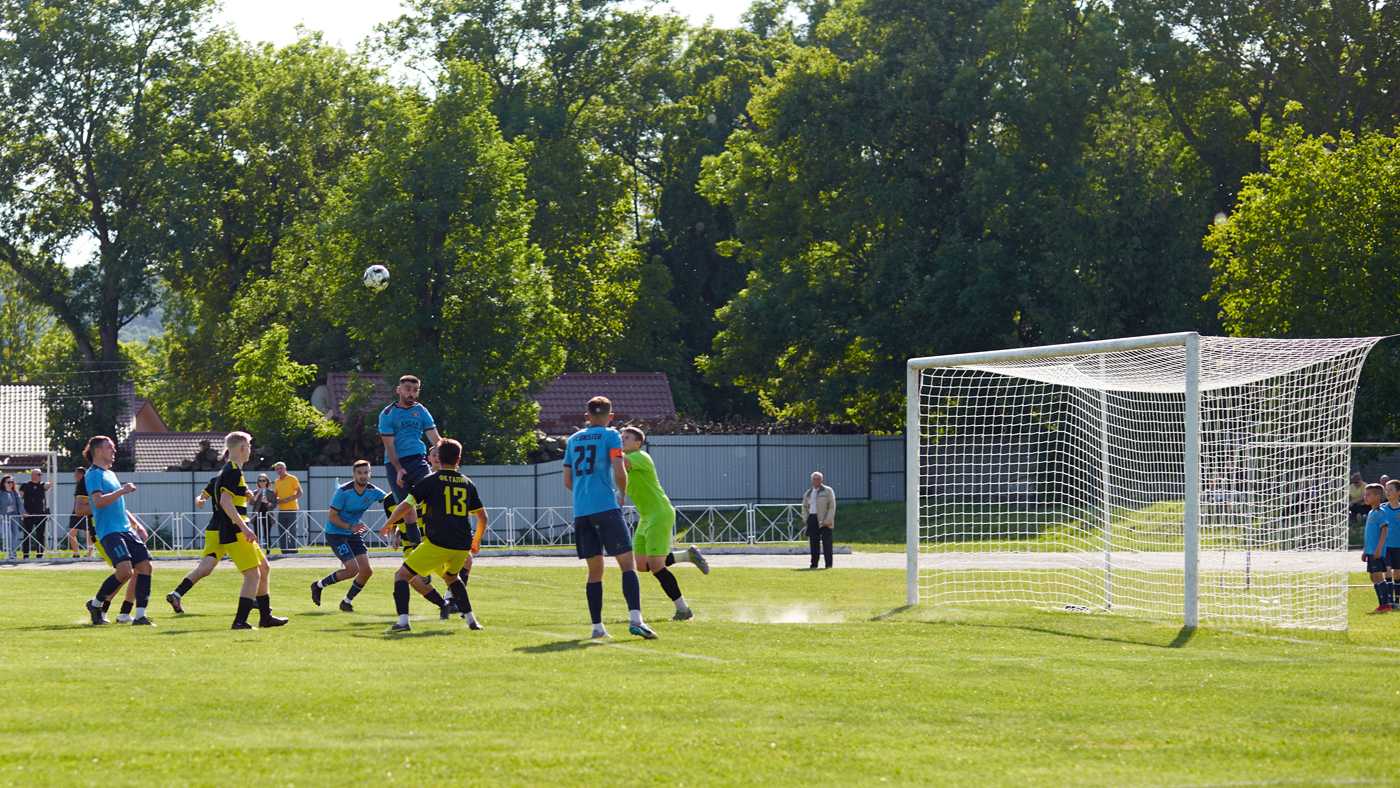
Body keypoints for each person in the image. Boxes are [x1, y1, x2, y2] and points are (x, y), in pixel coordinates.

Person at [564, 396, 655, 640]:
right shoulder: (611, 435)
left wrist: (585, 495)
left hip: (582, 512)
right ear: (610, 416)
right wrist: (622, 493)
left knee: (594, 572)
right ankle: (636, 620)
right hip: (605, 507)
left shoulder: (572, 440)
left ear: (587, 415)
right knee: (627, 564)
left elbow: (567, 480)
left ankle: (597, 627)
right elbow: (619, 468)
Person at [387, 438, 486, 633]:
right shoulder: (467, 483)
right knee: (452, 578)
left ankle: (403, 621)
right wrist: (476, 541)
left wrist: (389, 522)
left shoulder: (430, 481)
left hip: (438, 542)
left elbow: (407, 505)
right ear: (459, 459)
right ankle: (472, 621)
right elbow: (483, 517)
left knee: (402, 576)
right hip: (462, 545)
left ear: (438, 458)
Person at [620, 426, 709, 621]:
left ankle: (683, 610)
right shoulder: (626, 460)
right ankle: (687, 555)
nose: (622, 440)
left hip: (659, 513)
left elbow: (621, 462)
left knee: (657, 566)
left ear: (638, 443)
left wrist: (604, 445)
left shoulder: (640, 457)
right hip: (646, 517)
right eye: (621, 437)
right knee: (642, 566)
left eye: (626, 437)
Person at [211, 431, 288, 630]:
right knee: (252, 575)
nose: (251, 450)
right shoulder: (232, 471)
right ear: (242, 447)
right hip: (235, 531)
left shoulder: (234, 470)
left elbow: (233, 500)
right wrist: (244, 528)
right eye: (250, 446)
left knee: (264, 568)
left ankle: (265, 617)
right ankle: (240, 621)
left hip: (239, 529)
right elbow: (225, 502)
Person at [82, 435, 156, 626]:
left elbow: (118, 505)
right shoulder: (93, 474)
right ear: (98, 451)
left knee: (145, 567)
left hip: (125, 530)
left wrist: (136, 524)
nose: (114, 451)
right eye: (110, 448)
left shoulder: (110, 473)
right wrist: (122, 491)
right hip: (109, 531)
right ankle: (96, 604)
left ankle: (140, 616)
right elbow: (98, 502)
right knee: (124, 572)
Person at [311, 460, 386, 612]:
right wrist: (351, 527)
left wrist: (394, 523)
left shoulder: (374, 491)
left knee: (367, 571)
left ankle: (346, 602)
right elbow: (332, 516)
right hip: (335, 533)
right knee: (352, 569)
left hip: (353, 532)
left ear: (370, 473)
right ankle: (318, 585)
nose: (363, 476)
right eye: (360, 473)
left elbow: (391, 502)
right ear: (354, 474)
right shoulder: (343, 492)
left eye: (366, 472)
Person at [378, 374, 441, 552]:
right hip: (394, 463)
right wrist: (398, 468)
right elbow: (389, 446)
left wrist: (449, 454)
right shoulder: (387, 414)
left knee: (433, 490)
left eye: (415, 390)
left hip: (418, 460)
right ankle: (415, 548)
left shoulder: (421, 411)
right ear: (399, 390)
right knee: (408, 508)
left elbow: (436, 439)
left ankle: (437, 536)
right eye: (407, 389)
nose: (411, 393)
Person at [164, 473, 223, 614]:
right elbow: (201, 497)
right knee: (255, 566)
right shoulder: (232, 477)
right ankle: (254, 598)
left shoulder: (216, 480)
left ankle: (176, 594)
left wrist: (200, 500)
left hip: (214, 529)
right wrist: (200, 500)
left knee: (205, 569)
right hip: (230, 529)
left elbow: (201, 497)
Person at [1363, 483, 1391, 613]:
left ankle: (1385, 605)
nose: (1365, 497)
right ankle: (1382, 604)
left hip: (1376, 552)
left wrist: (1379, 549)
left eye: (1368, 495)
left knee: (1378, 576)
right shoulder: (1371, 512)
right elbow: (1369, 534)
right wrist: (1365, 551)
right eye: (1365, 494)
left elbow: (1384, 531)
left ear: (1377, 496)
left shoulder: (1381, 512)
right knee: (1373, 577)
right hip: (1370, 551)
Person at [802, 471, 837, 569]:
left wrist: (828, 520)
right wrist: (806, 519)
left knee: (827, 543)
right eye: (814, 479)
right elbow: (804, 507)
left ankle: (829, 565)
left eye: (818, 479)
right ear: (811, 480)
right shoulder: (808, 492)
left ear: (822, 480)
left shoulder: (828, 491)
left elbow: (832, 506)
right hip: (812, 519)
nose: (816, 481)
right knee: (813, 543)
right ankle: (814, 564)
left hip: (824, 519)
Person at [18, 468, 51, 560]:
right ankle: (25, 555)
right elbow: (19, 498)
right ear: (33, 475)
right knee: (27, 535)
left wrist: (49, 482)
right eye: (38, 474)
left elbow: (48, 485)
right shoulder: (25, 485)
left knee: (40, 535)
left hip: (40, 514)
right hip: (28, 514)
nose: (40, 476)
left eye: (41, 474)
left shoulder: (42, 485)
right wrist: (22, 511)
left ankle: (40, 555)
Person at [272, 462, 302, 553]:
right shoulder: (276, 481)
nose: (279, 470)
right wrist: (275, 500)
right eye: (277, 469)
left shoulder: (292, 478)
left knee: (292, 530)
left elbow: (300, 493)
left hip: (292, 508)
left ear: (285, 469)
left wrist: (288, 499)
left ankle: (293, 550)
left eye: (281, 468)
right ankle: (284, 551)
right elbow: (275, 495)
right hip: (281, 509)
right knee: (282, 531)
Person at [66, 466, 92, 558]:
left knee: (88, 532)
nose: (74, 475)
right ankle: (76, 553)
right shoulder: (79, 484)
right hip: (76, 511)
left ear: (81, 474)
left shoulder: (87, 483)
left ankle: (89, 554)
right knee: (72, 533)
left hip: (85, 511)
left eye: (76, 474)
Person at [250, 474, 277, 547]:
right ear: (258, 482)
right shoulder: (254, 492)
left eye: (263, 480)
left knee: (267, 532)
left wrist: (267, 502)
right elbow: (251, 503)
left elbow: (275, 504)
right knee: (256, 533)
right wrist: (257, 494)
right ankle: (257, 549)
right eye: (260, 480)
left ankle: (268, 550)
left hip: (268, 514)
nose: (262, 482)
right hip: (257, 514)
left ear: (267, 482)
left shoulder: (271, 492)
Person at [0, 476, 21, 559]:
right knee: (7, 535)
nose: (10, 484)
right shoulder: (1, 493)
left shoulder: (15, 493)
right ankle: (8, 553)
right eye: (8, 482)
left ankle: (13, 553)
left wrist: (23, 513)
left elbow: (20, 504)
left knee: (15, 535)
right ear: (4, 483)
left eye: (12, 482)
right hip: (4, 518)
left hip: (14, 517)